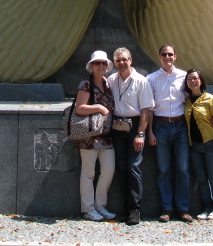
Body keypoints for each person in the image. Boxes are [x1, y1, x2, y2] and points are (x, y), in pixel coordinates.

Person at [108, 47, 154, 225]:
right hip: (116, 128)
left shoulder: (141, 81)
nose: (122, 63)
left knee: (133, 167)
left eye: (124, 59)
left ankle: (135, 208)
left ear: (131, 60)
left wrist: (141, 133)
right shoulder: (111, 80)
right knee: (121, 168)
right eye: (118, 60)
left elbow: (146, 109)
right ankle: (126, 208)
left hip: (135, 127)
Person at [147, 44, 192, 223]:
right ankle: (166, 208)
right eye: (164, 54)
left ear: (176, 56)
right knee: (163, 169)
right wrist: (149, 131)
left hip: (181, 126)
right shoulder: (151, 79)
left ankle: (183, 208)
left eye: (170, 54)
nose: (167, 57)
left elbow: (191, 99)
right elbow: (149, 107)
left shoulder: (184, 76)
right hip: (161, 125)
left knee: (182, 168)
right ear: (159, 57)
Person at [74, 50, 116, 221]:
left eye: (103, 63)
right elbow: (79, 107)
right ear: (91, 66)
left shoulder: (108, 83)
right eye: (97, 63)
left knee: (108, 170)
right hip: (89, 136)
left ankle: (101, 205)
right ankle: (88, 208)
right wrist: (98, 107)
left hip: (107, 136)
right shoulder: (86, 84)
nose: (101, 66)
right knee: (88, 172)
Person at [184, 68, 213, 220]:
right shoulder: (187, 101)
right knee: (201, 180)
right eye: (189, 79)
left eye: (195, 78)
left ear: (200, 80)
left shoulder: (209, 99)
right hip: (194, 146)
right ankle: (207, 208)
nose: (192, 81)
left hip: (209, 144)